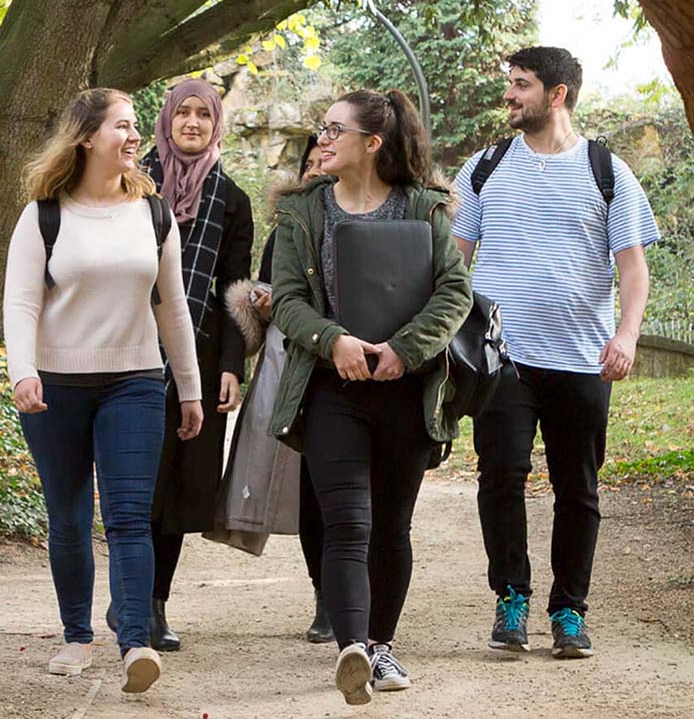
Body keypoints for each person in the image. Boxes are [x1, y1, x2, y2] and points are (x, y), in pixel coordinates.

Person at [452, 46, 660, 659]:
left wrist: (625, 335)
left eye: (521, 85)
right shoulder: (483, 168)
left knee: (578, 488)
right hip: (502, 359)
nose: (510, 96)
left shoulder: (607, 170)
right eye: (510, 84)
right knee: (502, 477)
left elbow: (633, 268)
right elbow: (453, 264)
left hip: (582, 361)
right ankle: (510, 598)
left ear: (558, 94)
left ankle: (570, 610)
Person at [268, 89, 472, 704]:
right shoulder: (302, 210)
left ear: (372, 143)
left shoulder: (427, 206)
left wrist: (402, 350)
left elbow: (454, 293)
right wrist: (333, 341)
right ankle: (353, 648)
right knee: (346, 524)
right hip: (332, 390)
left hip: (408, 394)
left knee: (391, 525)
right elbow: (284, 300)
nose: (322, 140)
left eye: (335, 129)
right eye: (322, 128)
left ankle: (382, 645)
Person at [3, 88, 204, 692]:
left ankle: (136, 643)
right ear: (88, 137)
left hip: (135, 383)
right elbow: (20, 301)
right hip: (55, 386)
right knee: (67, 516)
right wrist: (23, 371)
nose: (135, 135)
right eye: (123, 125)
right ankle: (76, 637)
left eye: (137, 125)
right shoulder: (44, 214)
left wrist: (188, 388)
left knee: (128, 517)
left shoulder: (153, 213)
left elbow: (172, 309)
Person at [129, 78, 254, 651]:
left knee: (180, 484)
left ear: (216, 124)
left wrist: (232, 365)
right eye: (184, 113)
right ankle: (131, 597)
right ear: (167, 119)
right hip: (127, 351)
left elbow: (235, 290)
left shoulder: (231, 198)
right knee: (139, 479)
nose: (193, 124)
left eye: (204, 115)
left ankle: (154, 605)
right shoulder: (130, 185)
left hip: (197, 362)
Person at [225, 134, 333, 642]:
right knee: (312, 488)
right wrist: (261, 302)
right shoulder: (285, 231)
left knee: (346, 493)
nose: (314, 171)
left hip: (347, 369)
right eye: (308, 163)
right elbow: (264, 289)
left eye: (324, 161)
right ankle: (325, 596)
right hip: (294, 368)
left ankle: (351, 594)